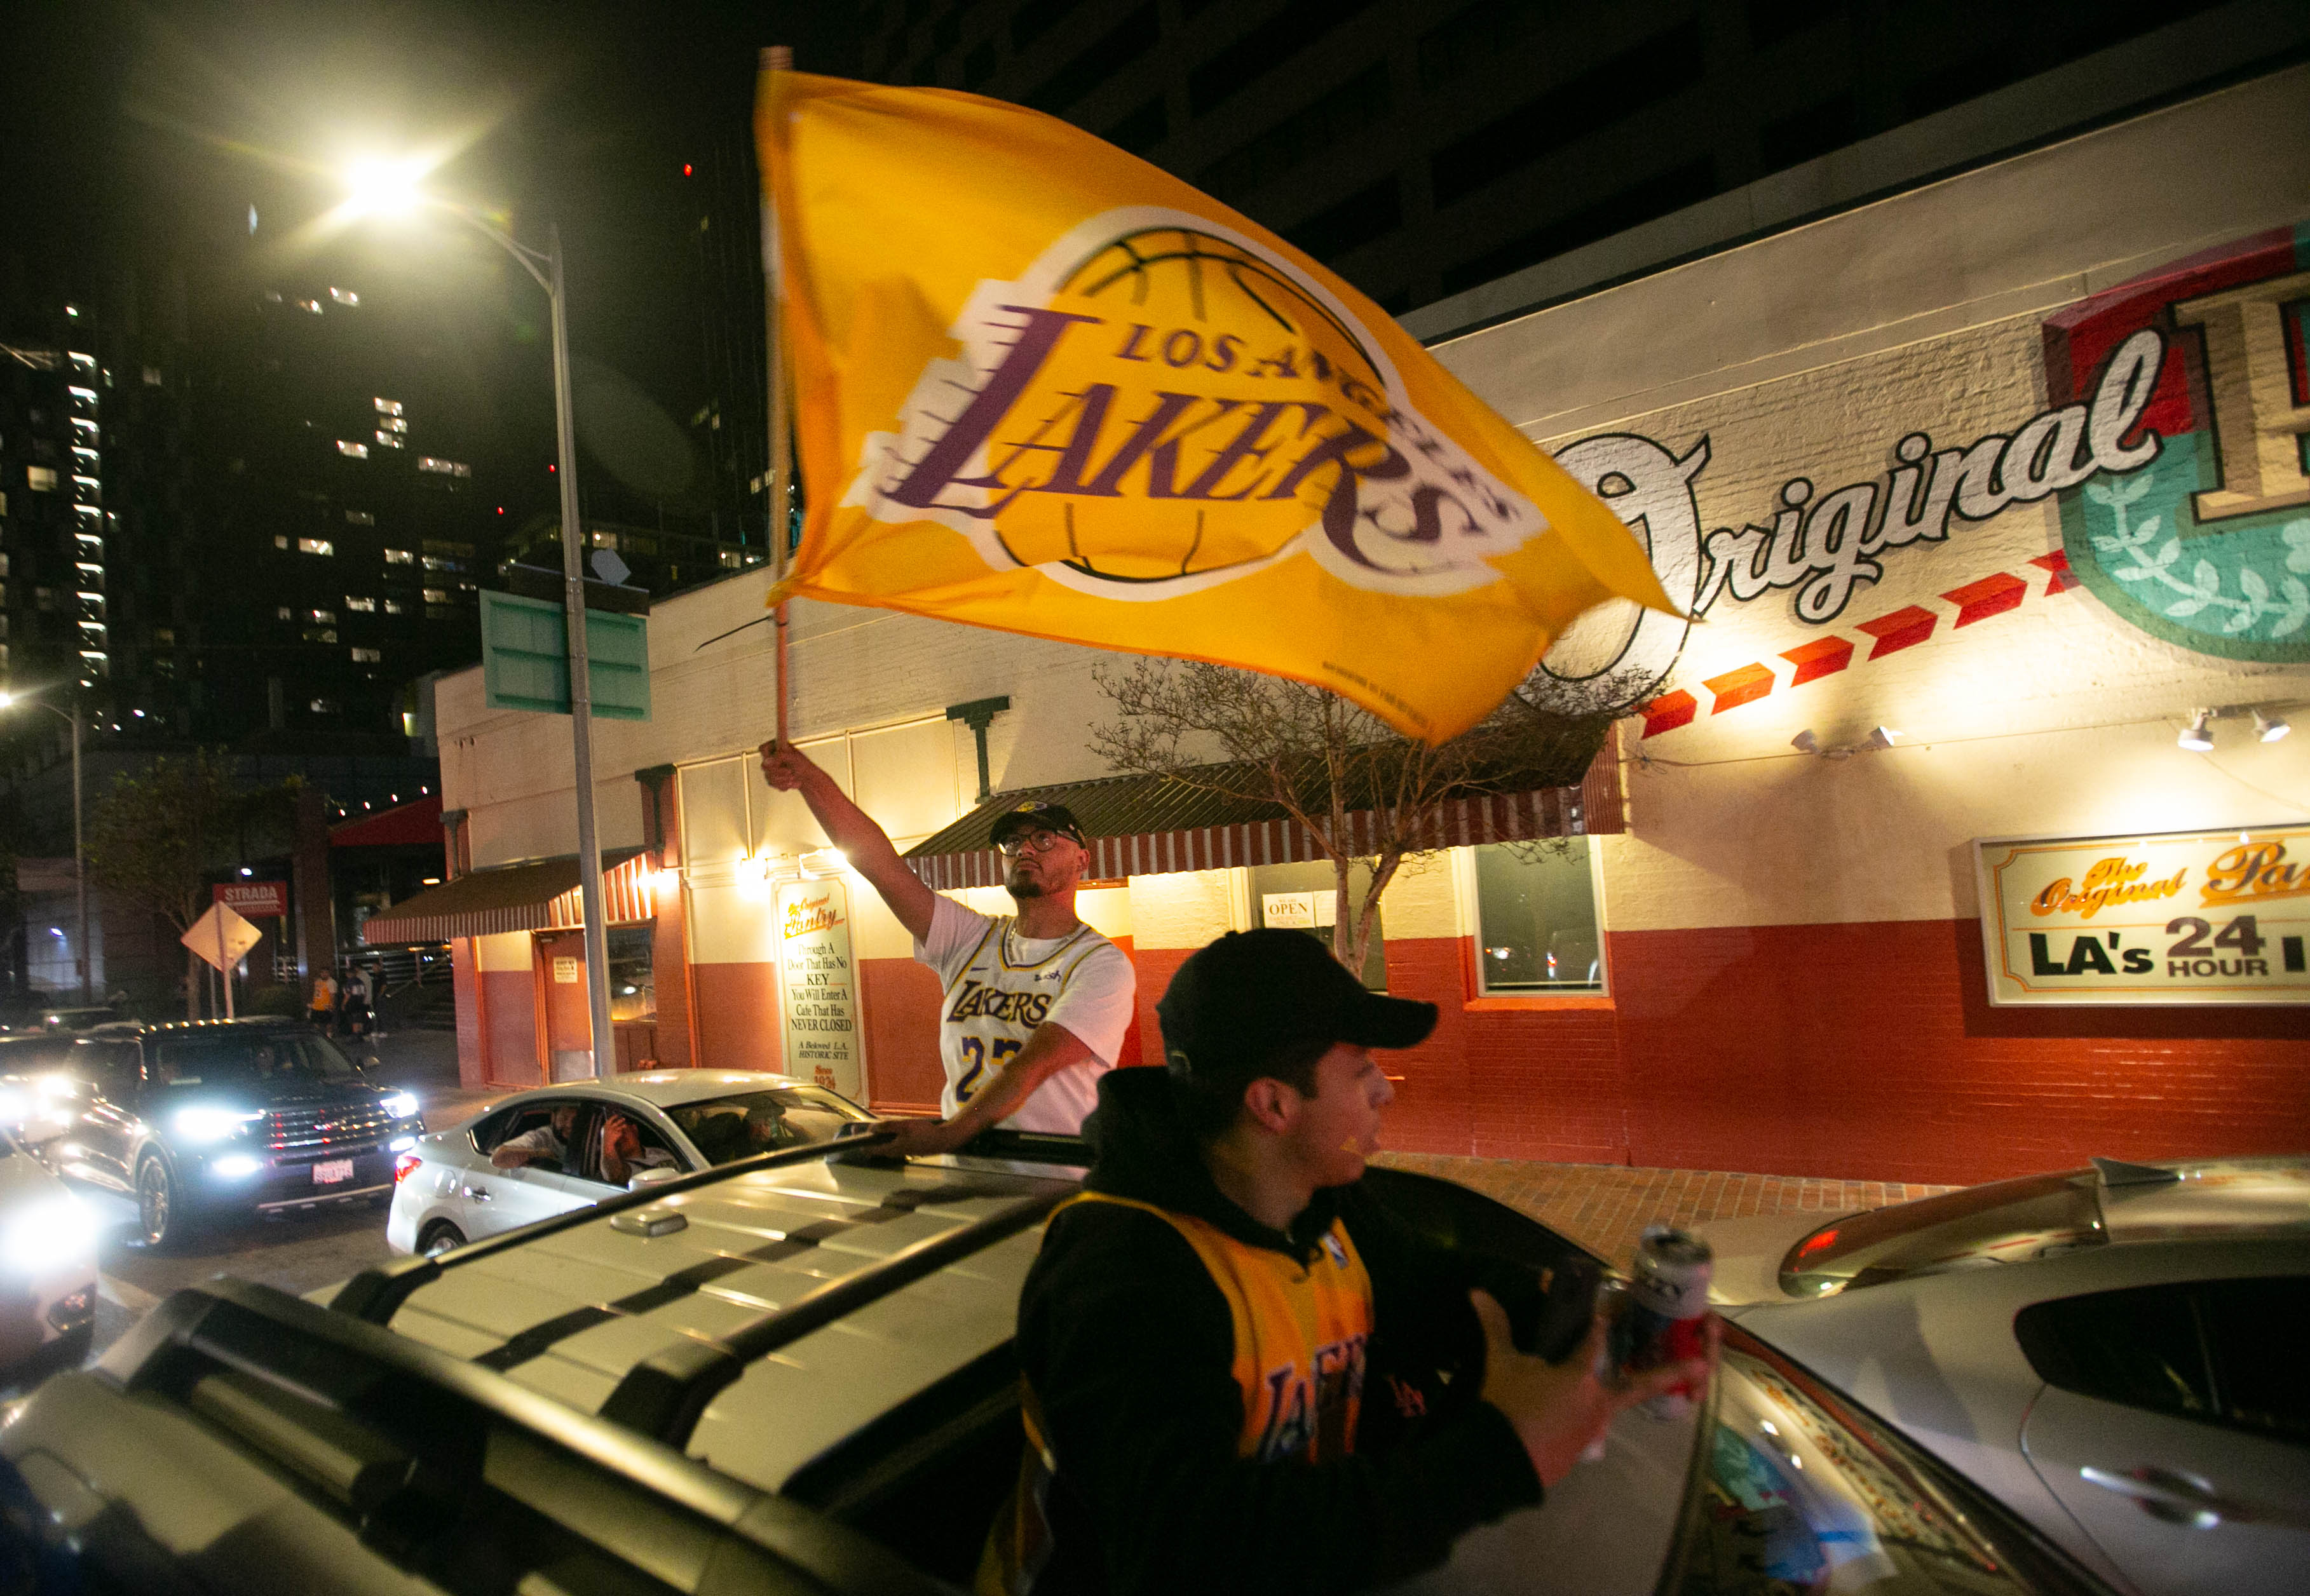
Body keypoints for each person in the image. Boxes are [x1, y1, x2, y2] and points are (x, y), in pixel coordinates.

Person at [991, 930, 1710, 1595]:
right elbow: (1193, 1549)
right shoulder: (1124, 1273)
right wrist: (1498, 1460)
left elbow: (1438, 1290)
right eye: (1361, 1069)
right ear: (1272, 1104)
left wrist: (1586, 1323)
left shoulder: (1319, 1206)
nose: (1383, 1091)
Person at [760, 741, 1135, 1156]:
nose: (1025, 849)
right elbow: (879, 864)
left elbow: (1037, 1061)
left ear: (1082, 860)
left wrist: (949, 1133)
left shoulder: (1100, 962)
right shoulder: (971, 939)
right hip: (967, 1166)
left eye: (1044, 839)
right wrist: (808, 778)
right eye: (1012, 842)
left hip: (1051, 1173)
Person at [600, 1111, 679, 1184]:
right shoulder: (625, 1168)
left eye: (623, 1132)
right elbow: (615, 1177)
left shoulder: (660, 1152)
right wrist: (608, 1143)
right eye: (614, 1136)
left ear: (634, 1130)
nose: (620, 1137)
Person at [493, 1104, 578, 1171]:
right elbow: (498, 1158)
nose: (569, 1125)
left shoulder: (588, 1137)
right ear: (553, 1118)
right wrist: (542, 1154)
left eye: (576, 1120)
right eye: (564, 1118)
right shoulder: (542, 1137)